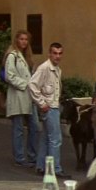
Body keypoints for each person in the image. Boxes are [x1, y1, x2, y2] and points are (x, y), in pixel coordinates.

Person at [28, 42, 69, 178]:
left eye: (60, 53)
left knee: (46, 137)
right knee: (55, 139)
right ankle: (55, 169)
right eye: (55, 53)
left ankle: (41, 166)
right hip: (49, 107)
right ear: (49, 54)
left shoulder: (57, 69)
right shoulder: (44, 68)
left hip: (53, 106)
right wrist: (41, 103)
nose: (57, 56)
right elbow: (32, 85)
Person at [3, 30, 38, 168]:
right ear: (16, 40)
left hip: (29, 96)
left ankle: (32, 156)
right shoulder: (12, 56)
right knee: (18, 129)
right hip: (18, 95)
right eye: (21, 39)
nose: (24, 42)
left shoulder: (27, 56)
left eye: (26, 39)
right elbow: (9, 76)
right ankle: (19, 157)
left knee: (34, 126)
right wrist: (25, 84)